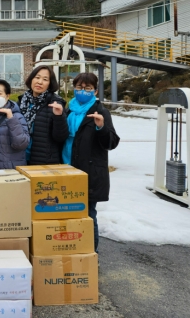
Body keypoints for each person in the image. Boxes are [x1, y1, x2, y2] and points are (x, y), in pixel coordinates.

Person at [62, 72, 120, 253]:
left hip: (88, 172)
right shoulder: (68, 110)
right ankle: (71, 250)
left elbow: (111, 143)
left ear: (95, 91)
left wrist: (101, 127)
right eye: (79, 87)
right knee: (66, 212)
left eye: (87, 88)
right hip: (66, 168)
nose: (82, 91)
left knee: (87, 214)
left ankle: (90, 254)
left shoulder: (101, 112)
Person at [19, 66, 69, 165]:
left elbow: (60, 137)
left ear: (50, 83)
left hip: (43, 161)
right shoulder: (22, 102)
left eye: (45, 79)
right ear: (31, 79)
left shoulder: (55, 104)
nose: (40, 82)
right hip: (20, 158)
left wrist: (59, 117)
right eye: (37, 77)